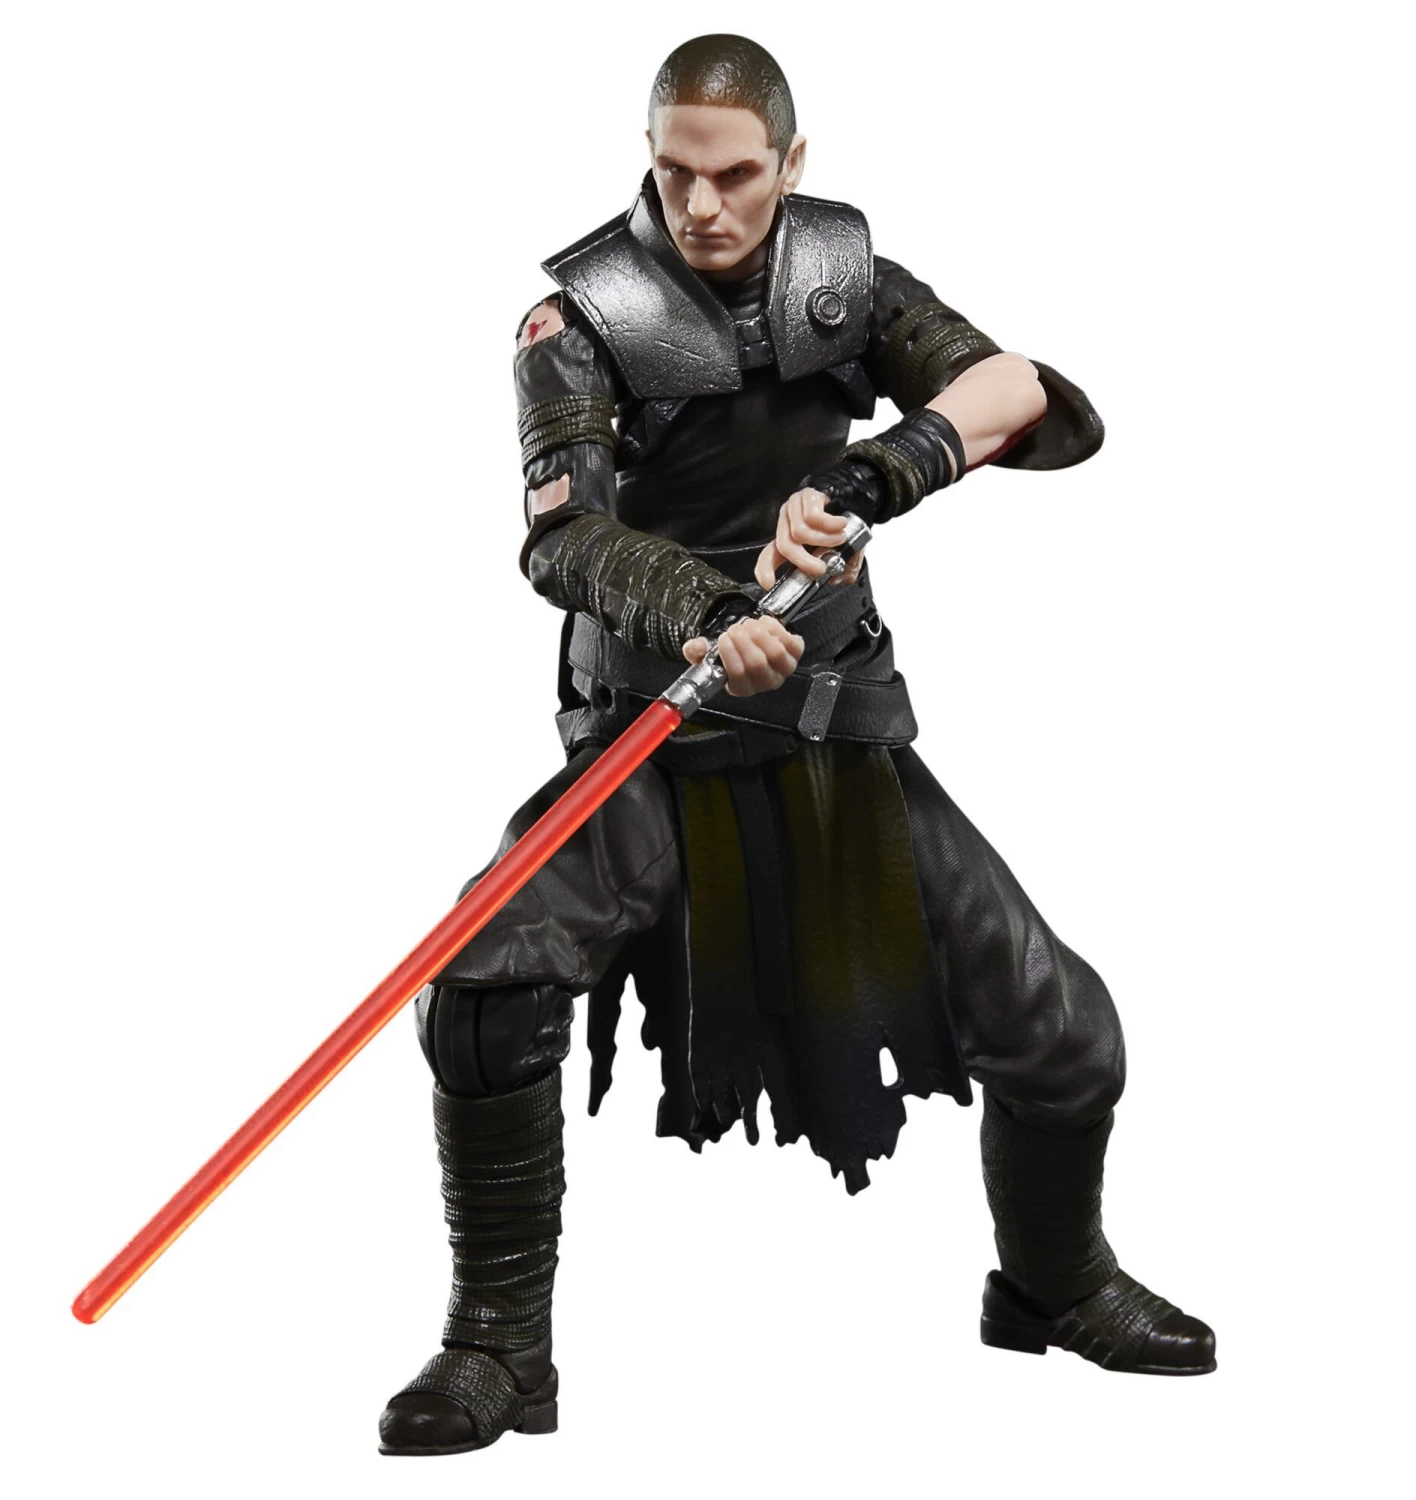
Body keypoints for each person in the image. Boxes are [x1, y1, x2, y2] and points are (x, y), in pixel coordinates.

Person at [379, 33, 1215, 1457]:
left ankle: (1052, 1281)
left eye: (736, 176)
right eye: (675, 174)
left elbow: (1017, 392)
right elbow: (563, 538)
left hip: (831, 731)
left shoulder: (848, 278)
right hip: (652, 737)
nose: (703, 206)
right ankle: (498, 1348)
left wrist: (868, 476)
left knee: (1064, 1031)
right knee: (481, 989)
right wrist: (704, 613)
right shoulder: (576, 320)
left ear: (791, 162)